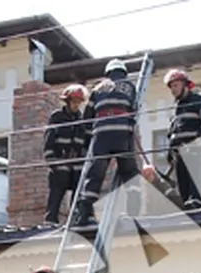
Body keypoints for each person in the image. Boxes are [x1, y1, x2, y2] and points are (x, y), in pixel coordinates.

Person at [71, 58, 155, 229]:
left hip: (101, 137)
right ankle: (134, 214)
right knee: (130, 174)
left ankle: (84, 215)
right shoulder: (129, 86)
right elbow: (133, 109)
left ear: (107, 73)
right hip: (122, 135)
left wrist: (89, 140)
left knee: (94, 176)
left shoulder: (97, 89)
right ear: (123, 73)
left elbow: (87, 119)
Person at [163, 68, 201, 210]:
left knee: (196, 188)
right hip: (180, 154)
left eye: (175, 85)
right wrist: (170, 152)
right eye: (171, 86)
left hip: (197, 151)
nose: (173, 90)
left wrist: (199, 141)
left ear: (184, 84)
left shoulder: (199, 100)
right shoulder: (176, 108)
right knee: (184, 189)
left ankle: (198, 208)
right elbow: (173, 131)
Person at [43, 84, 89, 225]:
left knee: (79, 188)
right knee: (57, 190)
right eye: (74, 102)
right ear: (67, 101)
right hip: (60, 161)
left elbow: (86, 142)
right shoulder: (57, 117)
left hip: (76, 163)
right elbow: (49, 140)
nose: (76, 105)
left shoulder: (82, 121)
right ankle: (51, 220)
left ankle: (75, 218)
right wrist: (52, 160)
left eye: (79, 102)